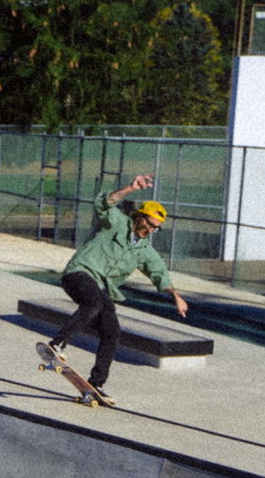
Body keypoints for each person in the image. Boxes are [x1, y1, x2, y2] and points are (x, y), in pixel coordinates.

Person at [44, 173, 189, 405]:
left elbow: (159, 272)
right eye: (150, 225)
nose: (151, 231)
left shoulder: (143, 250)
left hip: (102, 287)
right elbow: (104, 203)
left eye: (156, 229)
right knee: (94, 303)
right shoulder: (116, 222)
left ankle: (96, 384)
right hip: (79, 273)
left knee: (112, 331)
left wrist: (176, 295)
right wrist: (130, 189)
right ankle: (57, 344)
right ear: (140, 217)